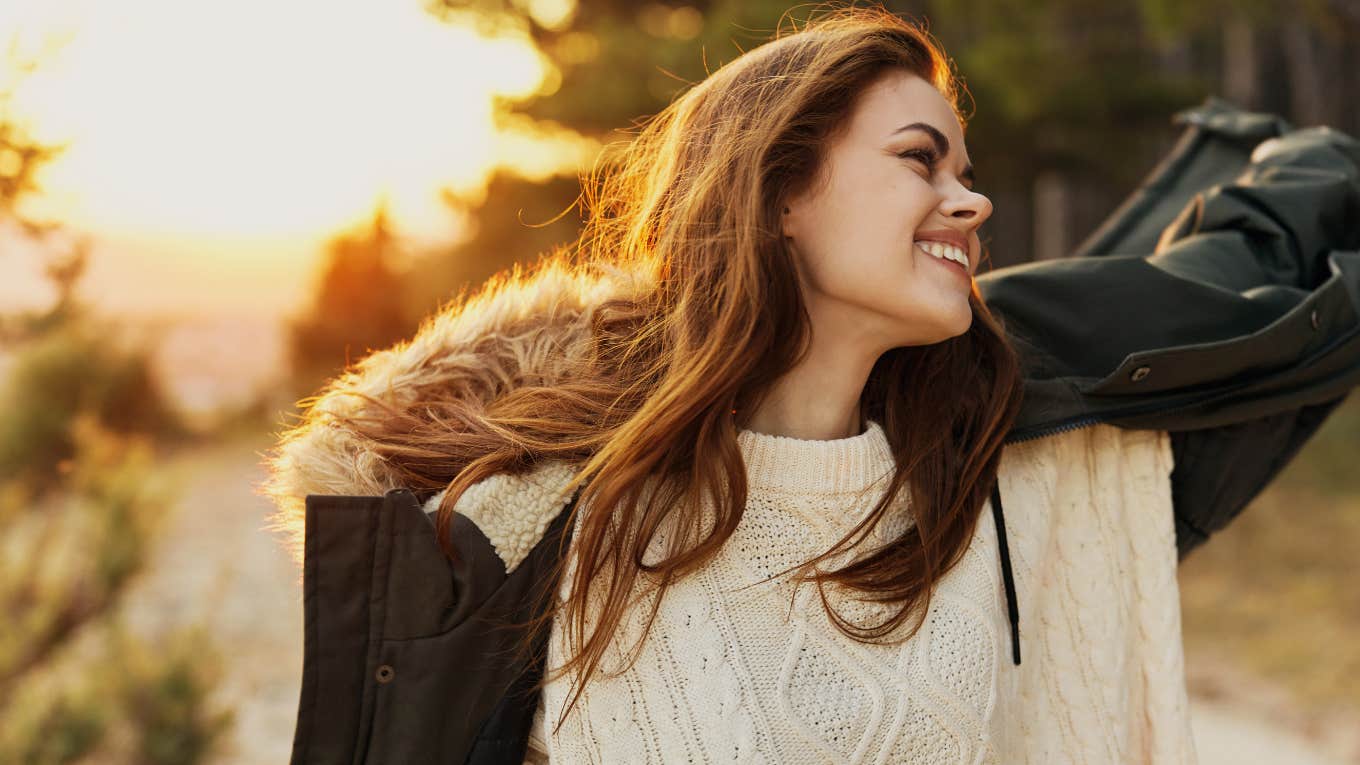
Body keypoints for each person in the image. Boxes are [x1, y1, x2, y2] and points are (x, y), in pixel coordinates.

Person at [260, 6, 1360, 764]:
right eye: (919, 161)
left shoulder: (982, 474)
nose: (969, 203)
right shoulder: (540, 511)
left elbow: (1217, 295)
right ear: (778, 194)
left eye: (968, 175)